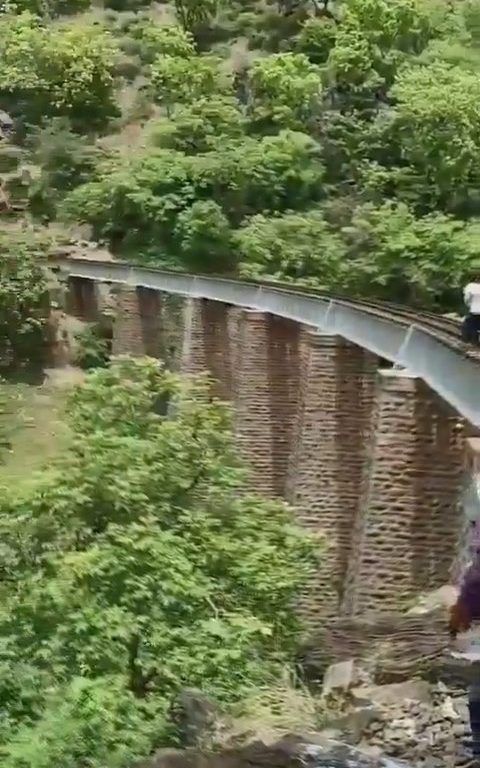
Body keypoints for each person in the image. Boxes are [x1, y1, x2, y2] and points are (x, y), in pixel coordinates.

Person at [450, 527, 480, 762]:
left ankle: (479, 744)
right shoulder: (473, 576)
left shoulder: (474, 576)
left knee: (477, 694)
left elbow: (462, 610)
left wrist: (454, 629)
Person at [462, 277, 480, 344]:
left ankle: (472, 340)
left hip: (474, 310)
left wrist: (468, 305)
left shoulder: (470, 286)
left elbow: (467, 298)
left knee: (471, 325)